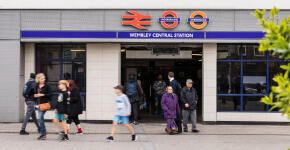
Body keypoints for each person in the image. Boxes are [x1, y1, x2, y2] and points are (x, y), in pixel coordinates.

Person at [34, 73, 51, 140]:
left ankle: (43, 134)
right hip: (38, 105)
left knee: (40, 118)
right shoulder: (36, 86)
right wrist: (34, 95)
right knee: (40, 119)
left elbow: (50, 94)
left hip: (44, 105)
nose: (44, 79)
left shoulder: (47, 86)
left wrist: (42, 95)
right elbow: (33, 94)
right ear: (38, 79)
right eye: (42, 78)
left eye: (44, 78)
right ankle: (43, 133)